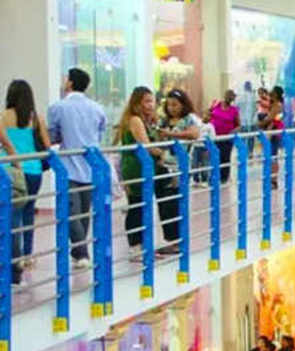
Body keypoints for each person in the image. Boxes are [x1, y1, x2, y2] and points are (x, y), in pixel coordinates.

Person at [47, 67, 107, 269]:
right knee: (83, 212)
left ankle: (81, 253)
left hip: (68, 166)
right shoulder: (97, 108)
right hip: (91, 166)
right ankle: (79, 252)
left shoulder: (58, 107)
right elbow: (99, 135)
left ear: (71, 83)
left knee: (71, 212)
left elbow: (53, 135)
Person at [116, 87, 181, 259]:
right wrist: (165, 155)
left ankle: (146, 246)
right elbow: (146, 145)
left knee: (147, 204)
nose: (151, 105)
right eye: (147, 101)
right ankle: (136, 247)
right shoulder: (135, 120)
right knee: (137, 204)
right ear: (137, 103)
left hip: (148, 166)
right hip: (136, 167)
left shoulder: (147, 120)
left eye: (152, 101)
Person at [1, 79, 50, 282]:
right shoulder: (36, 118)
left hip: (10, 170)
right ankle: (27, 255)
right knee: (29, 212)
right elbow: (47, 145)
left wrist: (15, 158)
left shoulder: (3, 116)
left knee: (11, 216)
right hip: (33, 171)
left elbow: (5, 143)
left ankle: (14, 263)